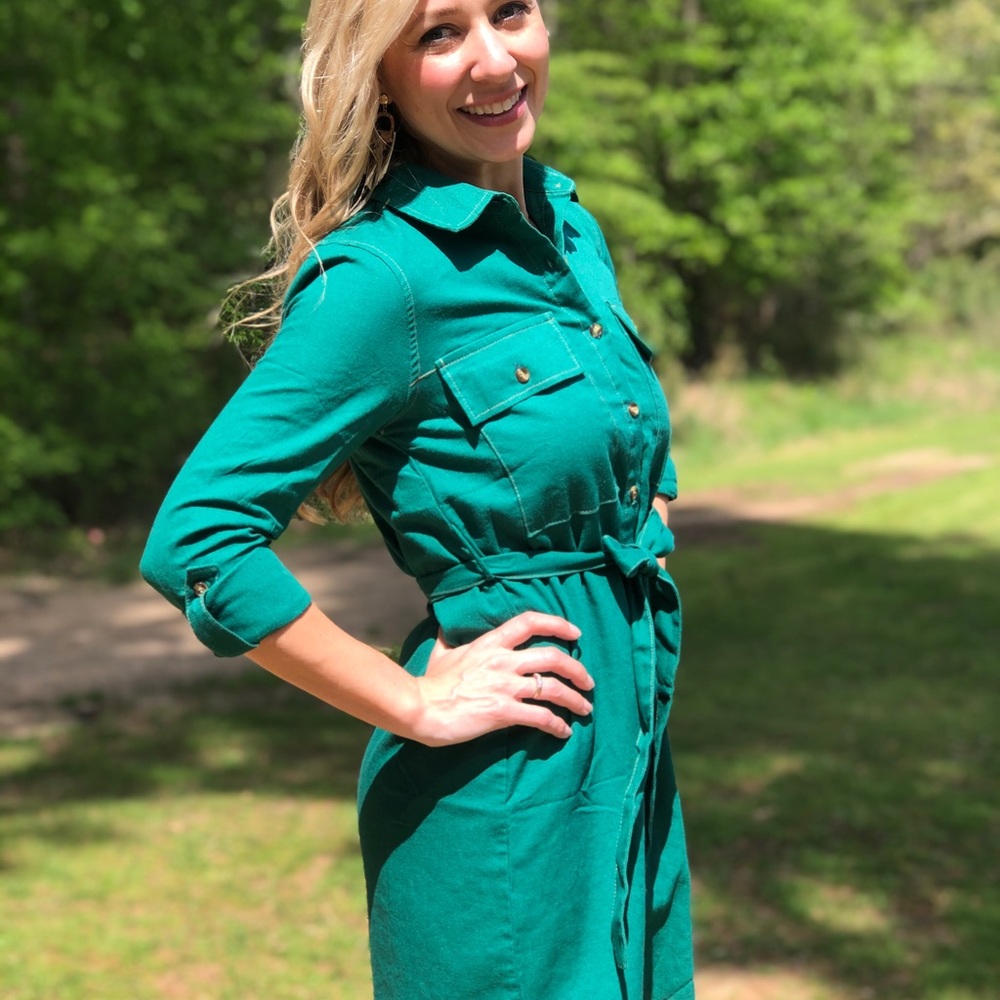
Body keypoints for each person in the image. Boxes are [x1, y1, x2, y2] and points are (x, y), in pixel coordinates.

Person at [140, 0, 694, 996]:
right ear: (378, 76)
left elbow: (618, 434)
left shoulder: (567, 226)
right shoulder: (380, 278)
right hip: (506, 797)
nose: (495, 58)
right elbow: (199, 541)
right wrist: (414, 700)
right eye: (440, 34)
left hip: (632, 769)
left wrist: (636, 512)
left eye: (510, 12)